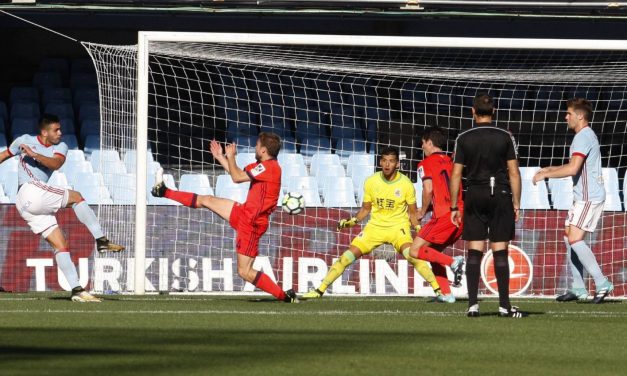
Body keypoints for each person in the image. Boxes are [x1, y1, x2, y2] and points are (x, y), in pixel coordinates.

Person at [151, 132, 297, 303]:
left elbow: (236, 177)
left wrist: (231, 156)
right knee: (207, 200)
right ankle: (163, 191)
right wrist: (221, 157)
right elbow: (237, 173)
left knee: (244, 271)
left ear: (264, 150)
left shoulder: (268, 168)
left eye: (257, 146)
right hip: (245, 213)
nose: (255, 148)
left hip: (252, 223)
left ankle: (284, 296)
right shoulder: (265, 166)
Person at [0, 114, 124, 303]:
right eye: (56, 130)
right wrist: (27, 153)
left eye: (60, 129)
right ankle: (101, 239)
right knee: (77, 197)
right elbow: (4, 156)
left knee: (60, 244)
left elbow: (55, 164)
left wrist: (35, 155)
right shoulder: (24, 140)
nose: (60, 133)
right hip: (29, 192)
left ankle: (76, 290)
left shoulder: (61, 147)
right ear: (44, 132)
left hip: (30, 205)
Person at [302, 147, 443, 299]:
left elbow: (413, 212)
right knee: (346, 257)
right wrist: (351, 222)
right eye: (384, 161)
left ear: (397, 164)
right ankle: (319, 291)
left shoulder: (406, 184)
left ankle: (439, 291)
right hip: (374, 228)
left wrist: (417, 228)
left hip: (398, 228)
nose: (387, 164)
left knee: (412, 256)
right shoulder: (371, 181)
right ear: (380, 162)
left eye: (391, 161)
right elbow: (365, 209)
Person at [449, 94, 527, 318]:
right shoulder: (505, 136)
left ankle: (473, 305)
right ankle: (504, 305)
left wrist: (454, 206)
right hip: (500, 192)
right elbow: (514, 172)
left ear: (473, 111)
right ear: (494, 112)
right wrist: (517, 202)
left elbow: (456, 175)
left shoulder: (464, 137)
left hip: (474, 192)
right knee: (499, 250)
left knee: (475, 249)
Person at [532, 98, 614, 304]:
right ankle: (578, 287)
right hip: (583, 197)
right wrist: (549, 169)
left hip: (589, 197)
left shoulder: (583, 136)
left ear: (580, 115)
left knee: (575, 239)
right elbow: (573, 165)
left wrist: (546, 175)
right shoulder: (583, 136)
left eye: (568, 113)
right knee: (569, 237)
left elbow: (573, 169)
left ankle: (602, 282)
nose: (565, 117)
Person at [409, 127, 465, 303]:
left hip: (443, 216)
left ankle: (453, 262)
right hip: (460, 216)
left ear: (430, 143)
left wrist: (421, 211)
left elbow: (428, 189)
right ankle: (446, 294)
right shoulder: (451, 161)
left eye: (423, 143)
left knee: (415, 250)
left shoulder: (424, 164)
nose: (422, 147)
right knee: (432, 253)